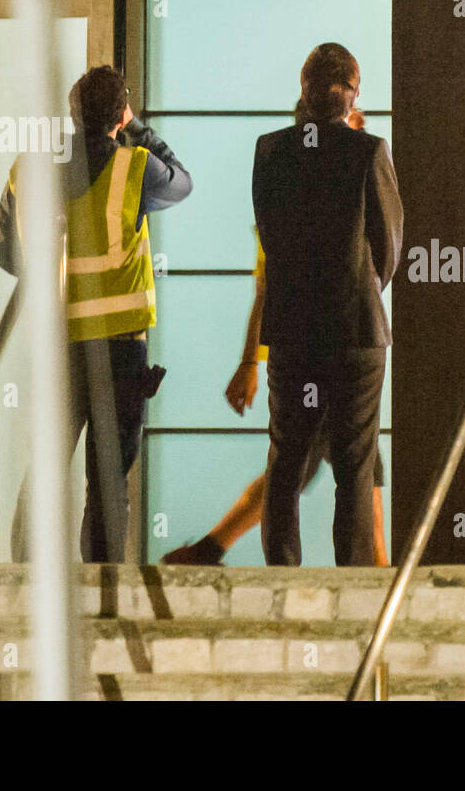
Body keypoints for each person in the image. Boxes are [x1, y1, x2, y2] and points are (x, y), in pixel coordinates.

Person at [162, 105, 391, 567]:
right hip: (339, 352)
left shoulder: (289, 192)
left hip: (305, 353)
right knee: (343, 472)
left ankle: (213, 550)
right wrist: (249, 363)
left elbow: (268, 293)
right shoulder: (331, 192)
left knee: (294, 469)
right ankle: (379, 575)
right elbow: (268, 292)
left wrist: (251, 363)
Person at [0, 65, 192, 562]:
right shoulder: (136, 166)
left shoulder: (30, 167)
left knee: (44, 470)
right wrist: (137, 127)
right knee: (107, 482)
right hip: (121, 351)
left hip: (56, 348)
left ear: (71, 110)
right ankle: (103, 592)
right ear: (118, 116)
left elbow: (3, 251)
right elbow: (184, 182)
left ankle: (20, 579)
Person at [252, 43, 402, 566]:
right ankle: (354, 584)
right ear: (354, 94)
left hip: (294, 330)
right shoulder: (368, 152)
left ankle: (281, 579)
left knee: (285, 460)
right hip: (356, 331)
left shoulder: (268, 151)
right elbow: (389, 247)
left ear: (303, 86)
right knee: (354, 467)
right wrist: (359, 284)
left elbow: (270, 238)